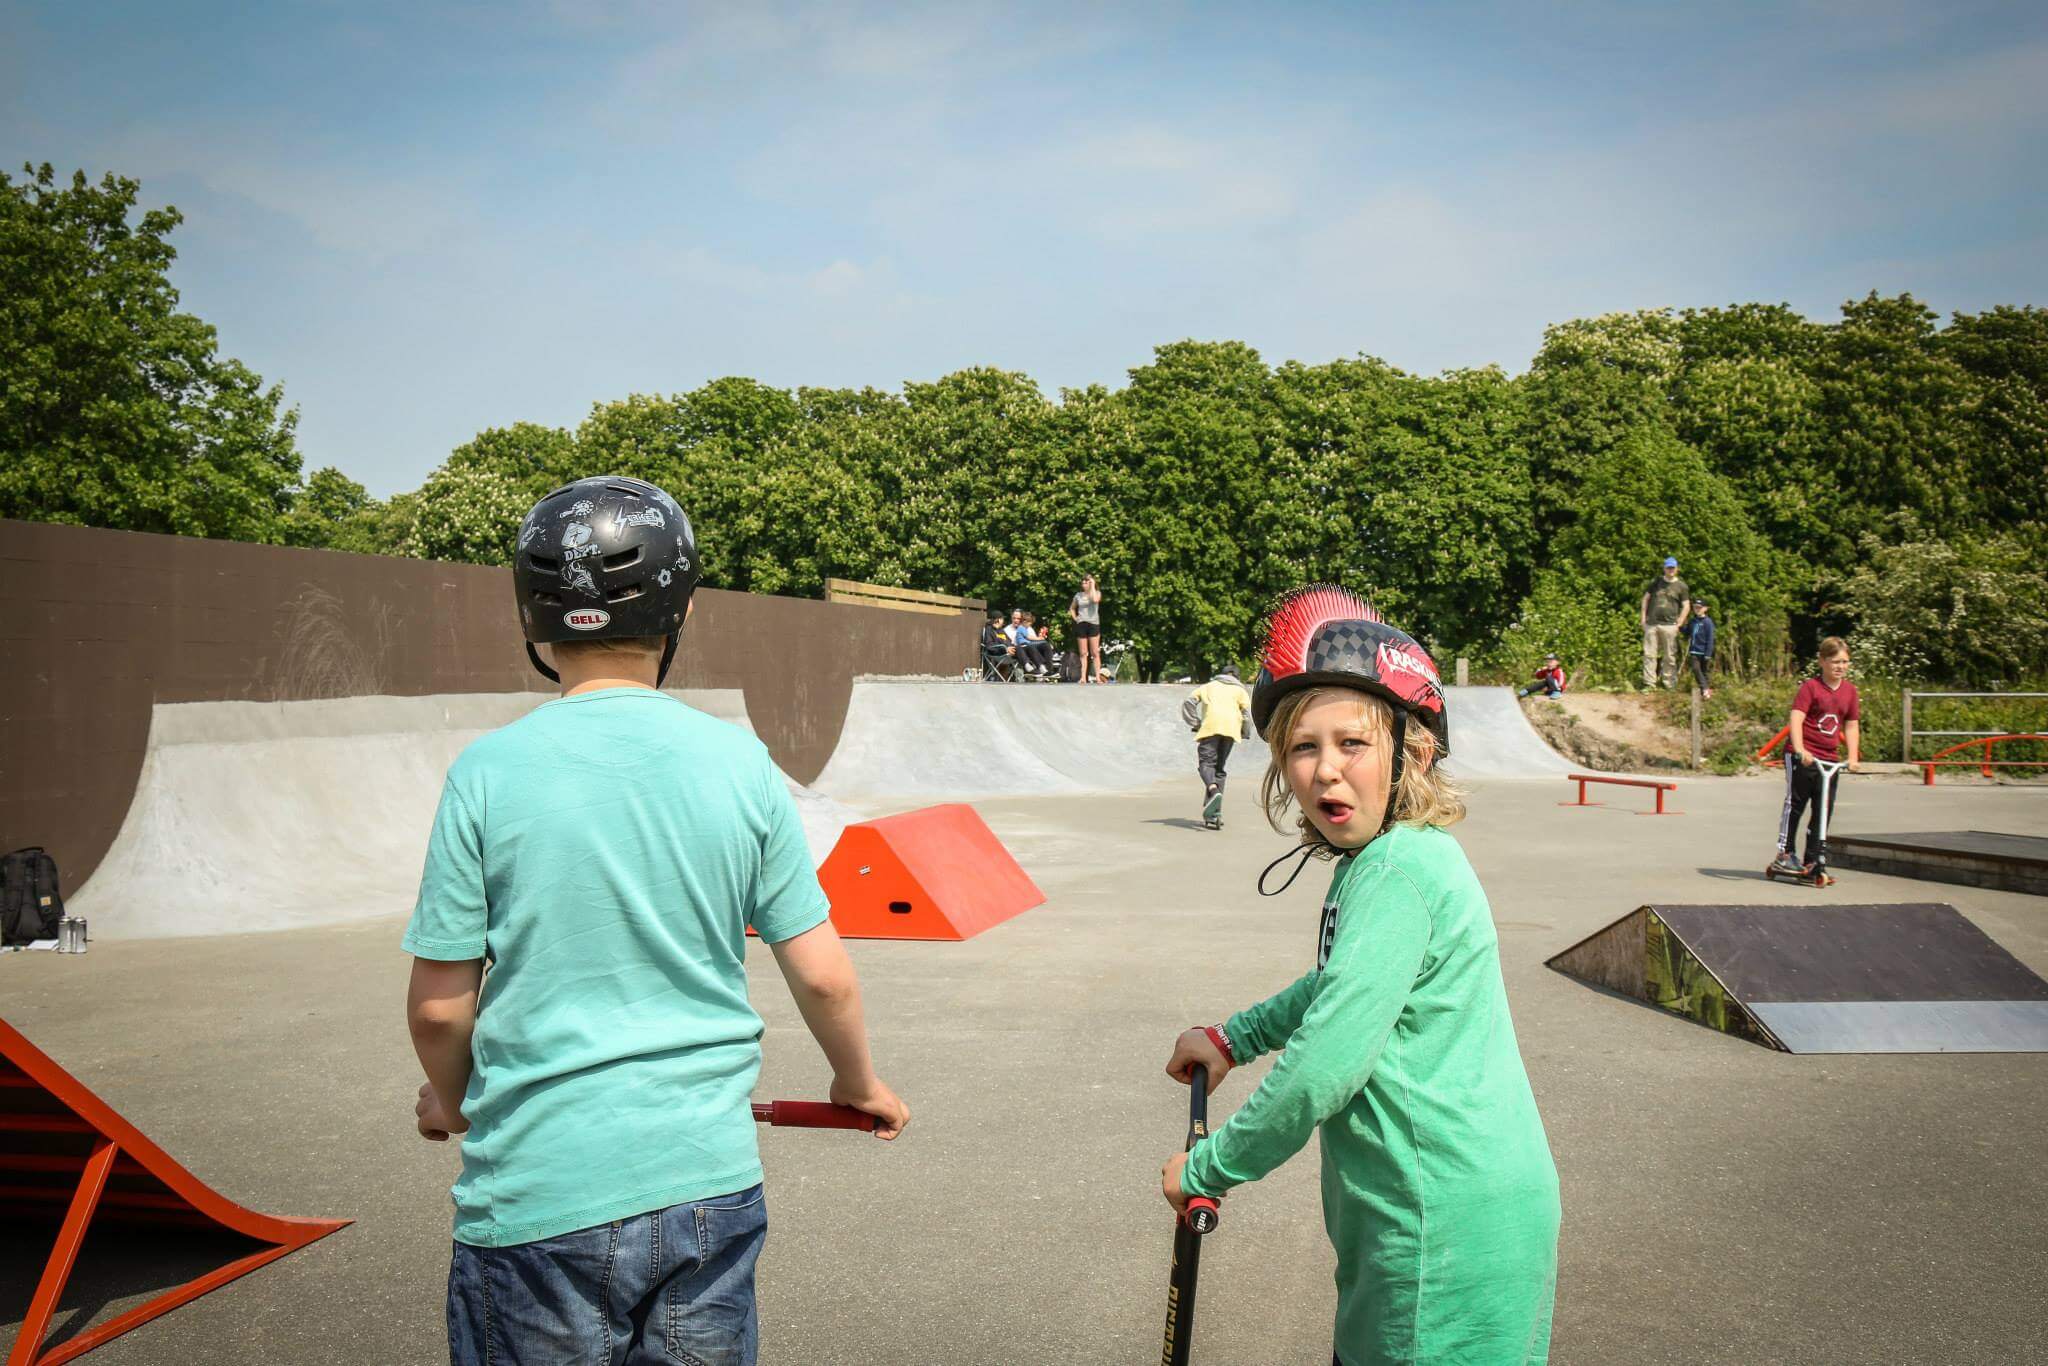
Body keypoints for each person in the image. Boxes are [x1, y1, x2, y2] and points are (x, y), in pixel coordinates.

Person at [404, 475, 910, 1366]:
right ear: (675, 612)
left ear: (535, 620)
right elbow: (822, 970)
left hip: (538, 1195)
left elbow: (442, 1007)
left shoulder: (485, 773)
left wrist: (452, 1099)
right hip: (706, 1187)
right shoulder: (739, 762)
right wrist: (856, 1082)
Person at [1161, 585, 1559, 1366]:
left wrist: (1211, 1167)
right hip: (1443, 1218)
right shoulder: (1392, 861)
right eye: (1303, 747)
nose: (1326, 772)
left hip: (1437, 1234)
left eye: (1353, 743)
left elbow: (1324, 1066)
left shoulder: (1396, 871)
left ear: (1410, 752)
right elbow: (1341, 988)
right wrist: (1231, 1037)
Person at [1772, 636, 1861, 882]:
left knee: (1823, 809)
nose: (1840, 667)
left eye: (1845, 662)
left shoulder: (1850, 691)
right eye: (1835, 662)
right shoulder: (1811, 687)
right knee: (1796, 803)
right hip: (1803, 755)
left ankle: (1813, 859)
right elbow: (1797, 718)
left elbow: (1851, 726)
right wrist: (1800, 749)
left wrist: (1852, 756)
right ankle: (1785, 853)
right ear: (1822, 661)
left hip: (1829, 760)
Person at [1183, 664, 1252, 829]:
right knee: (1219, 769)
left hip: (1210, 728)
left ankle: (1214, 791)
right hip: (1231, 731)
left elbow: (1189, 702)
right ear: (1237, 677)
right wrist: (1245, 732)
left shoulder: (1208, 686)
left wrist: (1195, 723)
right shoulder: (1241, 691)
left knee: (1206, 764)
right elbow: (1246, 715)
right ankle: (1214, 813)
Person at [1639, 556, 1692, 690]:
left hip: (1670, 625)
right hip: (1652, 624)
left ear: (1677, 569)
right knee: (1649, 654)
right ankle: (1649, 684)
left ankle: (1669, 684)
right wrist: (1643, 619)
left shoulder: (1681, 586)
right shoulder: (1656, 582)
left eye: (1673, 568)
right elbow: (1645, 599)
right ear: (1664, 568)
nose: (1670, 570)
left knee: (1670, 656)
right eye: (1668, 567)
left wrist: (1679, 622)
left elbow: (1686, 605)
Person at [1070, 574, 1105, 682]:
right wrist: (1076, 619)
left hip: (1093, 623)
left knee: (1095, 652)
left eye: (1087, 582)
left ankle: (1098, 677)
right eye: (1083, 582)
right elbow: (1072, 608)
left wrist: (1093, 585)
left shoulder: (1097, 593)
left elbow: (1095, 600)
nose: (1084, 584)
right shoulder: (1078, 595)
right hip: (1081, 624)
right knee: (1083, 653)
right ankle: (1083, 677)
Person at [1007, 608, 1053, 677]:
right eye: (1014, 618)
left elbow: (1032, 639)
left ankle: (1048, 669)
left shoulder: (1028, 628)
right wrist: (1038, 638)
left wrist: (1040, 639)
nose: (1016, 620)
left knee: (1045, 644)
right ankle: (1041, 667)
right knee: (1033, 645)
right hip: (1020, 650)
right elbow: (1028, 637)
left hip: (1030, 648)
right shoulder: (1009, 629)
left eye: (1018, 619)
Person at [1686, 600, 1715, 698]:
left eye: (1699, 607)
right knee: (1695, 669)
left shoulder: (1708, 622)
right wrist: (1678, 627)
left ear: (1705, 609)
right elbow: (1687, 631)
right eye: (1695, 607)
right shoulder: (1692, 621)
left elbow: (1710, 638)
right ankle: (1704, 688)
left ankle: (1706, 692)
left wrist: (1708, 653)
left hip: (1704, 651)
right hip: (1694, 651)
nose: (1697, 609)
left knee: (1704, 671)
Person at [980, 609, 1018, 678]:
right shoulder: (989, 630)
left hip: (1009, 653)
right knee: (1022, 651)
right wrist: (1005, 649)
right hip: (999, 654)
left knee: (1023, 648)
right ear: (997, 620)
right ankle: (1027, 670)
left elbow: (1009, 641)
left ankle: (1030, 668)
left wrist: (1010, 647)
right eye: (1001, 619)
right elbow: (989, 646)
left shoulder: (1001, 630)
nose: (1003, 621)